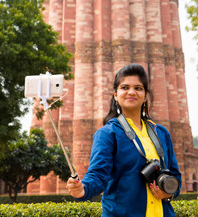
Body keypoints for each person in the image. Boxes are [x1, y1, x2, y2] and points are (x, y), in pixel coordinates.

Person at [66, 64, 182, 217]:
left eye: (138, 88)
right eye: (125, 87)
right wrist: (83, 189)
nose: (131, 92)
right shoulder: (108, 133)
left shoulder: (160, 132)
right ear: (115, 95)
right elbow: (98, 174)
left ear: (146, 95)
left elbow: (175, 175)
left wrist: (168, 193)